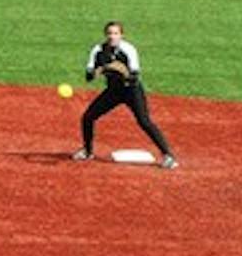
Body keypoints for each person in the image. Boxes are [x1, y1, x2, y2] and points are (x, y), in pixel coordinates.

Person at [73, 20, 177, 168]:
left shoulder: (129, 50)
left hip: (131, 91)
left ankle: (168, 155)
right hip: (113, 91)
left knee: (144, 121)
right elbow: (89, 76)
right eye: (109, 33)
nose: (112, 36)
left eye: (116, 33)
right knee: (88, 117)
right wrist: (100, 70)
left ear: (122, 35)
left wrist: (122, 71)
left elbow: (134, 76)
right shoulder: (98, 50)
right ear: (105, 34)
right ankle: (87, 151)